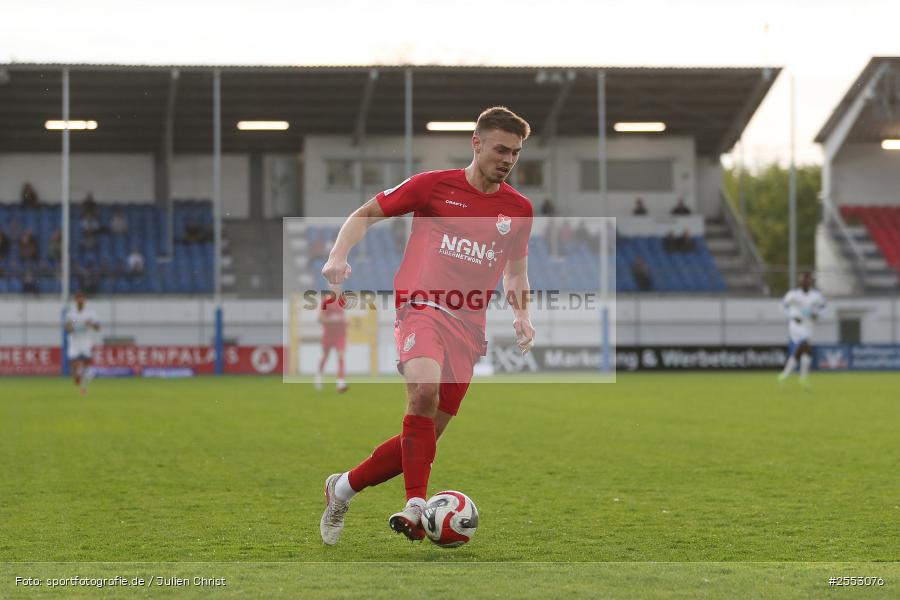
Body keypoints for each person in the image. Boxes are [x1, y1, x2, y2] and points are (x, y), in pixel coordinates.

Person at [318, 106, 535, 545]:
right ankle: (416, 505)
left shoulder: (518, 209)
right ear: (476, 143)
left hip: (469, 329)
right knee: (422, 393)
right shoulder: (433, 185)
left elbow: (515, 273)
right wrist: (338, 254)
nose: (508, 160)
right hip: (421, 306)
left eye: (515, 153)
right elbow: (366, 214)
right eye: (500, 149)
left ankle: (342, 488)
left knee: (421, 437)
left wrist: (522, 314)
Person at [778, 272, 826, 387]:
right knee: (804, 345)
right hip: (796, 325)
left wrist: (817, 315)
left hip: (808, 325)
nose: (804, 282)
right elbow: (782, 305)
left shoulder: (816, 296)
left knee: (805, 351)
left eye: (807, 280)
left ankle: (797, 377)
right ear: (800, 282)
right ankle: (790, 375)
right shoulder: (793, 294)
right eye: (803, 280)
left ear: (810, 282)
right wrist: (791, 316)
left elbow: (823, 307)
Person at [65, 291, 100, 396]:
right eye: (78, 299)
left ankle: (84, 387)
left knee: (87, 365)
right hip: (74, 341)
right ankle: (76, 375)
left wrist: (92, 324)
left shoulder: (90, 313)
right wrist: (73, 325)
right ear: (75, 300)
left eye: (82, 299)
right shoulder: (71, 313)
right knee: (74, 364)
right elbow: (69, 327)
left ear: (84, 300)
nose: (80, 301)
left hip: (85, 341)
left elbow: (98, 327)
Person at [315, 285, 349, 393]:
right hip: (328, 335)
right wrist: (333, 320)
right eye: (334, 287)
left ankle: (340, 382)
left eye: (338, 287)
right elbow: (320, 318)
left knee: (341, 356)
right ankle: (319, 377)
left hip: (340, 335)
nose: (336, 289)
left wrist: (345, 322)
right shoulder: (326, 301)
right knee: (325, 356)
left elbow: (343, 318)